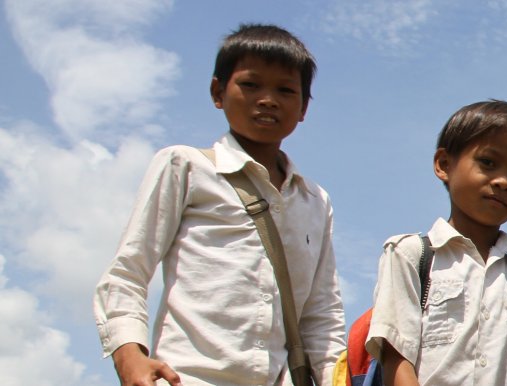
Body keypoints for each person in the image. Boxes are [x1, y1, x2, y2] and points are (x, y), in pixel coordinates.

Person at [93, 23, 345, 386]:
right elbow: (128, 272)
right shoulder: (185, 166)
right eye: (251, 84)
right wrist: (129, 355)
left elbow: (321, 315)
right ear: (217, 91)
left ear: (304, 107)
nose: (268, 99)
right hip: (187, 376)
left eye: (286, 90)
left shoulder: (315, 201)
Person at [365, 100, 507, 386]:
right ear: (444, 165)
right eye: (488, 163)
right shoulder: (410, 255)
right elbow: (396, 357)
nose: (503, 181)